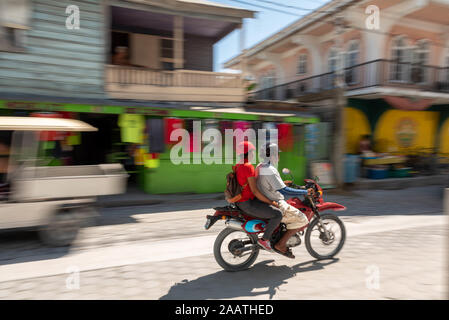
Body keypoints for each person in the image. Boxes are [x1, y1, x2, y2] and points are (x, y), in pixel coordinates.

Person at [256, 142, 314, 258]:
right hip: (276, 202)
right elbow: (284, 191)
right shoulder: (270, 169)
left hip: (266, 199)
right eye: (277, 154)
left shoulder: (260, 166)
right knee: (303, 219)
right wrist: (305, 192)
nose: (278, 156)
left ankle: (279, 235)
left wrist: (284, 184)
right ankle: (281, 244)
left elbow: (270, 184)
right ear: (273, 155)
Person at [231, 141, 283, 252]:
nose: (254, 154)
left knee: (270, 209)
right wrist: (271, 202)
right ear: (248, 152)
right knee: (278, 214)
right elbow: (255, 191)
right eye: (252, 151)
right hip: (248, 204)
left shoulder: (238, 166)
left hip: (240, 202)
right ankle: (265, 240)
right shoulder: (248, 167)